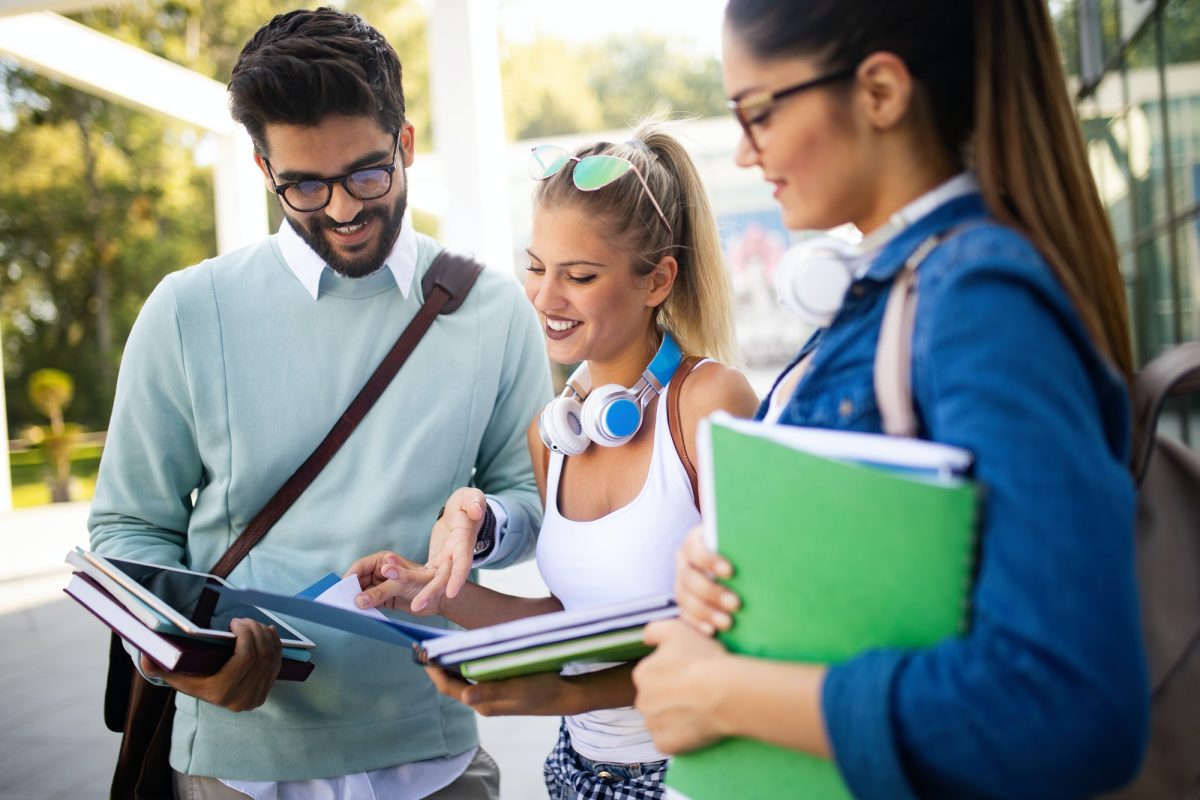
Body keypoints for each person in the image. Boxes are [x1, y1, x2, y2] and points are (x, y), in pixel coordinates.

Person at [631, 1, 1151, 798]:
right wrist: (737, 575)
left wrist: (722, 694)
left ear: (879, 92)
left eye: (759, 112)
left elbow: (1067, 705)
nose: (743, 152)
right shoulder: (899, 291)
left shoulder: (977, 298)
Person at [88, 7, 551, 798]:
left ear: (405, 144)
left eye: (368, 174)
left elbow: (530, 500)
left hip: (431, 750)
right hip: (236, 759)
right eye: (306, 185)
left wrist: (480, 521)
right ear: (264, 169)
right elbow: (129, 530)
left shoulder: (492, 309)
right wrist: (182, 659)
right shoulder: (187, 310)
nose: (342, 210)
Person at [348, 122, 760, 799]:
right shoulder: (555, 433)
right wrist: (435, 592)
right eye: (536, 266)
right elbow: (573, 622)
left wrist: (561, 696)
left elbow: (750, 639)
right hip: (575, 775)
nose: (544, 298)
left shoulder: (710, 403)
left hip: (695, 776)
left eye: (580, 276)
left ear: (657, 280)